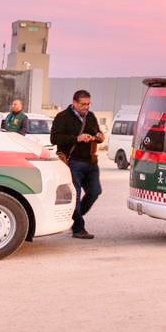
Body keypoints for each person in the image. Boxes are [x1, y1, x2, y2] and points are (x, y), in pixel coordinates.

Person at [51, 90, 104, 239]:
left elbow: (97, 133)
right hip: (72, 162)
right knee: (75, 195)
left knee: (95, 192)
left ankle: (74, 219)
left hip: (91, 162)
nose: (86, 107)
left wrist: (99, 136)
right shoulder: (62, 117)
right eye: (83, 104)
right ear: (74, 103)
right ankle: (78, 228)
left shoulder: (91, 117)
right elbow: (54, 139)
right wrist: (77, 138)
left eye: (88, 104)